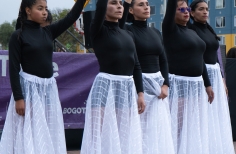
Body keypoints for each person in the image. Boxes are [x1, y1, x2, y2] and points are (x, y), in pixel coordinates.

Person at [0, 0, 87, 153]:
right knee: (29, 128)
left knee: (47, 126)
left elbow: (70, 17)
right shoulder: (18, 36)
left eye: (45, 8)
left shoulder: (48, 31)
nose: (45, 12)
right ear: (28, 10)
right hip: (28, 89)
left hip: (48, 88)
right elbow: (13, 69)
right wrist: (19, 98)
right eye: (40, 8)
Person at [80, 0, 145, 153]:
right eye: (113, 3)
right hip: (105, 87)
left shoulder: (128, 34)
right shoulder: (98, 30)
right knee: (100, 135)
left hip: (126, 89)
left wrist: (140, 93)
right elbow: (101, 6)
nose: (119, 7)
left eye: (121, 4)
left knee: (123, 135)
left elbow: (136, 65)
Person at [119, 0, 175, 153]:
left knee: (156, 129)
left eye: (147, 4)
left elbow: (163, 60)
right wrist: (140, 91)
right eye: (140, 5)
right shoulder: (127, 30)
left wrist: (165, 84)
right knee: (138, 129)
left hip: (158, 88)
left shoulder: (155, 32)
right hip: (139, 86)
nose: (146, 7)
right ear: (130, 10)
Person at [162, 0, 214, 153]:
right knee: (178, 125)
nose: (185, 12)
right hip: (179, 84)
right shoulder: (170, 29)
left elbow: (200, 59)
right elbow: (171, 6)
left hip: (196, 84)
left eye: (187, 9)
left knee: (192, 125)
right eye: (181, 9)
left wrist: (208, 84)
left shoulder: (192, 31)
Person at [189, 1, 235, 153]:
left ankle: (215, 147)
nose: (205, 12)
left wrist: (222, 78)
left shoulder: (209, 30)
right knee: (203, 112)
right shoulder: (191, 30)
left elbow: (217, 57)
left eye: (207, 9)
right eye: (201, 9)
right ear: (192, 13)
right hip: (202, 74)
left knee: (216, 113)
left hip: (215, 74)